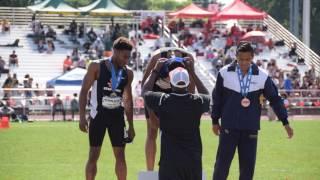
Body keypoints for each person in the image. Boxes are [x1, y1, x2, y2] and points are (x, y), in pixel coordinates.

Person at [211, 42, 294, 180]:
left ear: (252, 57)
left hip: (250, 129)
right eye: (241, 59)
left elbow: (275, 99)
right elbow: (217, 98)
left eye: (247, 59)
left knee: (247, 170)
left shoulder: (262, 76)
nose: (244, 62)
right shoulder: (224, 73)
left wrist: (285, 122)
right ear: (236, 56)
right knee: (221, 166)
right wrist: (214, 120)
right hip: (228, 128)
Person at [142, 58, 210, 180]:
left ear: (171, 83)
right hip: (193, 160)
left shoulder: (163, 100)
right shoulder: (197, 101)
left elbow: (145, 91)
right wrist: (192, 71)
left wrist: (156, 69)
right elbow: (206, 95)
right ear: (188, 82)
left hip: (170, 160)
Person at [79, 37, 135, 180]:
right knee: (93, 155)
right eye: (124, 56)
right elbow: (84, 90)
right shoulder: (96, 66)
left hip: (117, 118)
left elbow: (128, 99)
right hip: (98, 116)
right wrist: (81, 117)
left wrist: (131, 125)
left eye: (129, 57)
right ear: (115, 52)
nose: (126, 60)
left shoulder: (128, 73)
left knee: (121, 156)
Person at [141, 47, 196, 171]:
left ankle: (178, 168)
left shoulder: (188, 60)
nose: (170, 80)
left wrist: (187, 111)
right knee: (152, 131)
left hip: (177, 92)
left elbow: (191, 89)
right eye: (168, 77)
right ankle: (150, 172)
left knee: (178, 132)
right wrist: (151, 114)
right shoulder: (156, 58)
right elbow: (145, 88)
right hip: (154, 90)